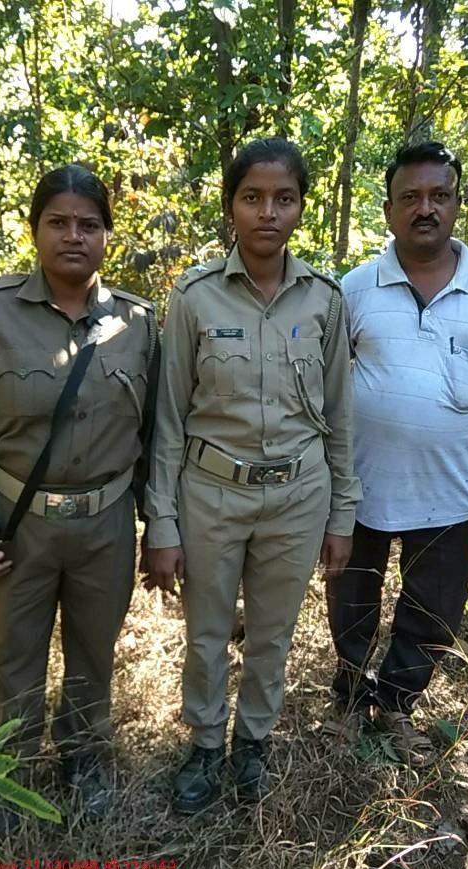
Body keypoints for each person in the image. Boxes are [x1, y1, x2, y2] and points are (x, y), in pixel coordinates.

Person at [144, 137, 361, 813]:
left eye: (284, 198)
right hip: (211, 493)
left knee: (272, 634)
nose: (268, 212)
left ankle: (252, 745)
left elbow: (339, 414)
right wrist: (162, 522)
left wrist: (342, 513)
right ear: (230, 206)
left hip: (298, 496)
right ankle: (206, 745)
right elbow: (169, 418)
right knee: (207, 633)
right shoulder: (195, 297)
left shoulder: (324, 300)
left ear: (300, 207)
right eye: (252, 197)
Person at [0, 164, 159, 817]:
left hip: (106, 525)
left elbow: (155, 434)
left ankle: (84, 764)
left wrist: (161, 528)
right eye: (58, 222)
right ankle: (6, 780)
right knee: (13, 664)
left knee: (93, 658)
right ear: (35, 230)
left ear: (108, 235)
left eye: (89, 224)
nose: (74, 236)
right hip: (17, 525)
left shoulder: (138, 322)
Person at [326, 142, 468, 765]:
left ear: (457, 204)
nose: (426, 209)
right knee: (351, 603)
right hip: (362, 487)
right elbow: (324, 386)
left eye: (439, 195)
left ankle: (395, 705)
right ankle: (349, 699)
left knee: (434, 612)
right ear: (389, 209)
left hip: (448, 494)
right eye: (411, 197)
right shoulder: (355, 288)